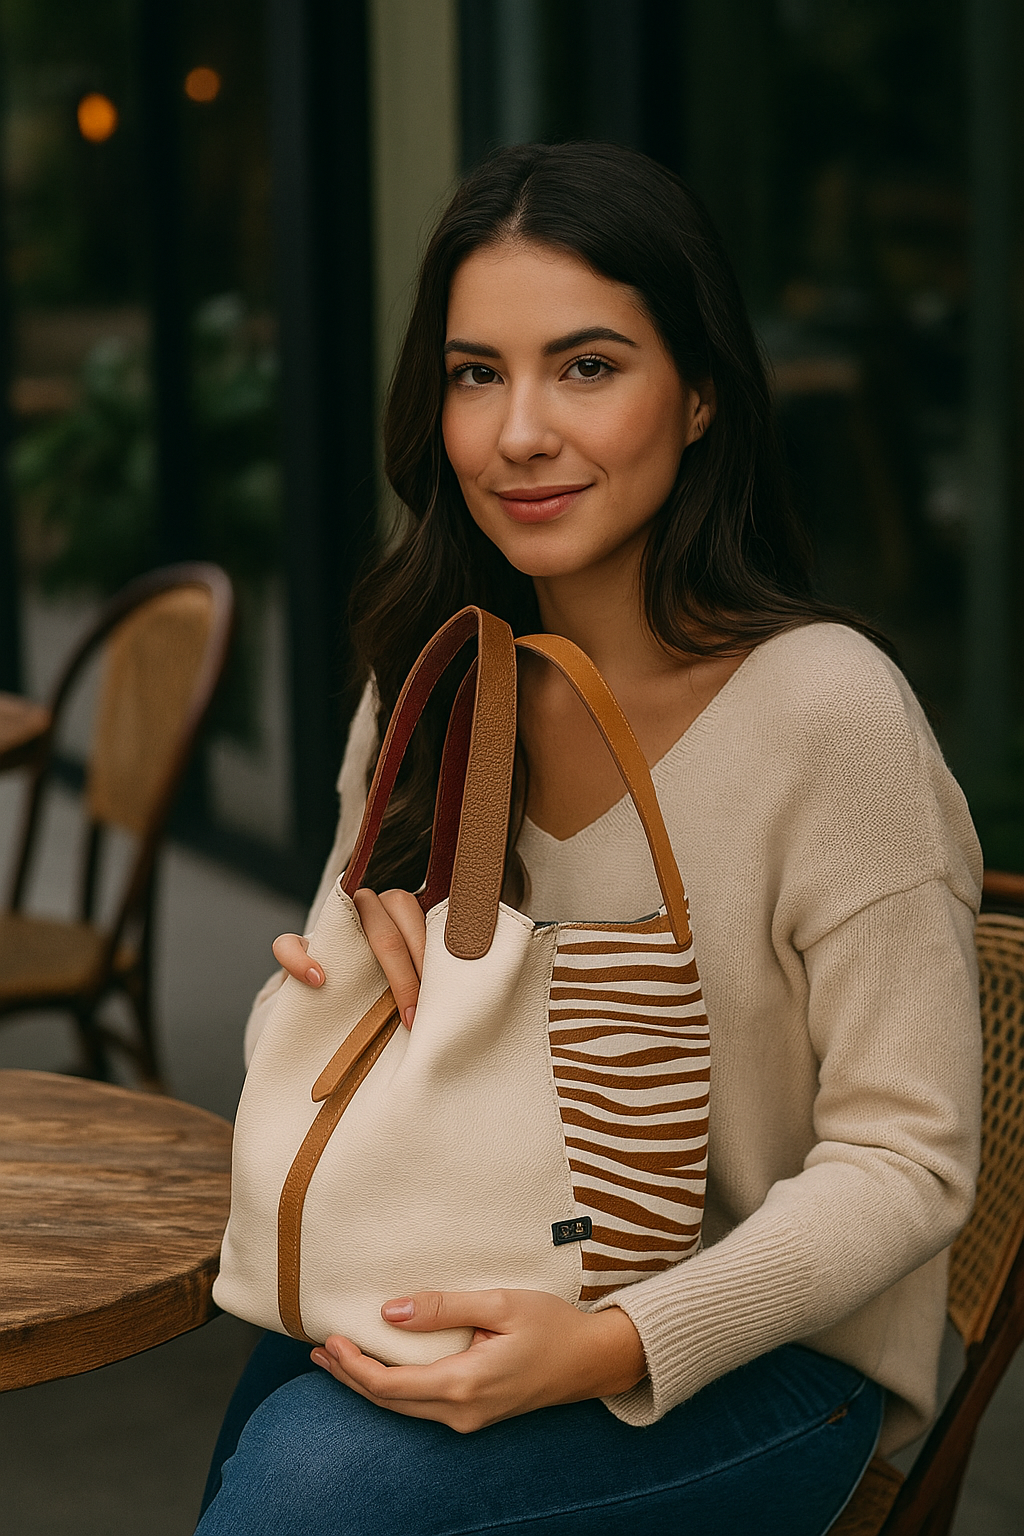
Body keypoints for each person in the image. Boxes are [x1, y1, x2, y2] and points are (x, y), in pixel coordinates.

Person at [195, 142, 981, 1536]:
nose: (519, 435)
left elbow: (907, 1160)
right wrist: (336, 978)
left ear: (700, 401)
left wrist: (618, 1346)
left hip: (769, 1360)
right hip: (477, 1259)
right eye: (475, 373)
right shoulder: (436, 687)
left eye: (590, 366)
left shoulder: (829, 714)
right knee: (270, 1429)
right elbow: (329, 1071)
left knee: (311, 1482)